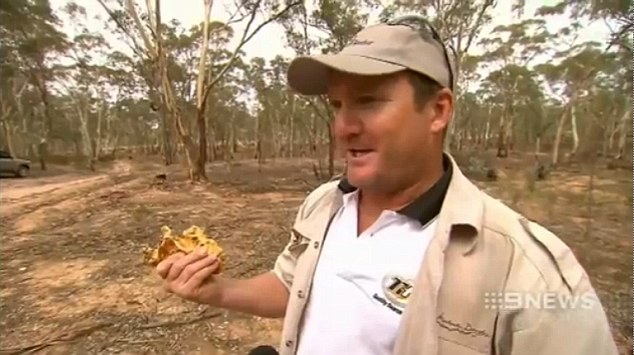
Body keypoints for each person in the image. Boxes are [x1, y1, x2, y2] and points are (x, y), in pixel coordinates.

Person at [155, 15, 619, 355]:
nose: (343, 127)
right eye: (336, 105)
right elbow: (292, 285)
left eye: (369, 102)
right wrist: (216, 291)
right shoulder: (325, 205)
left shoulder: (526, 271)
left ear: (438, 111)